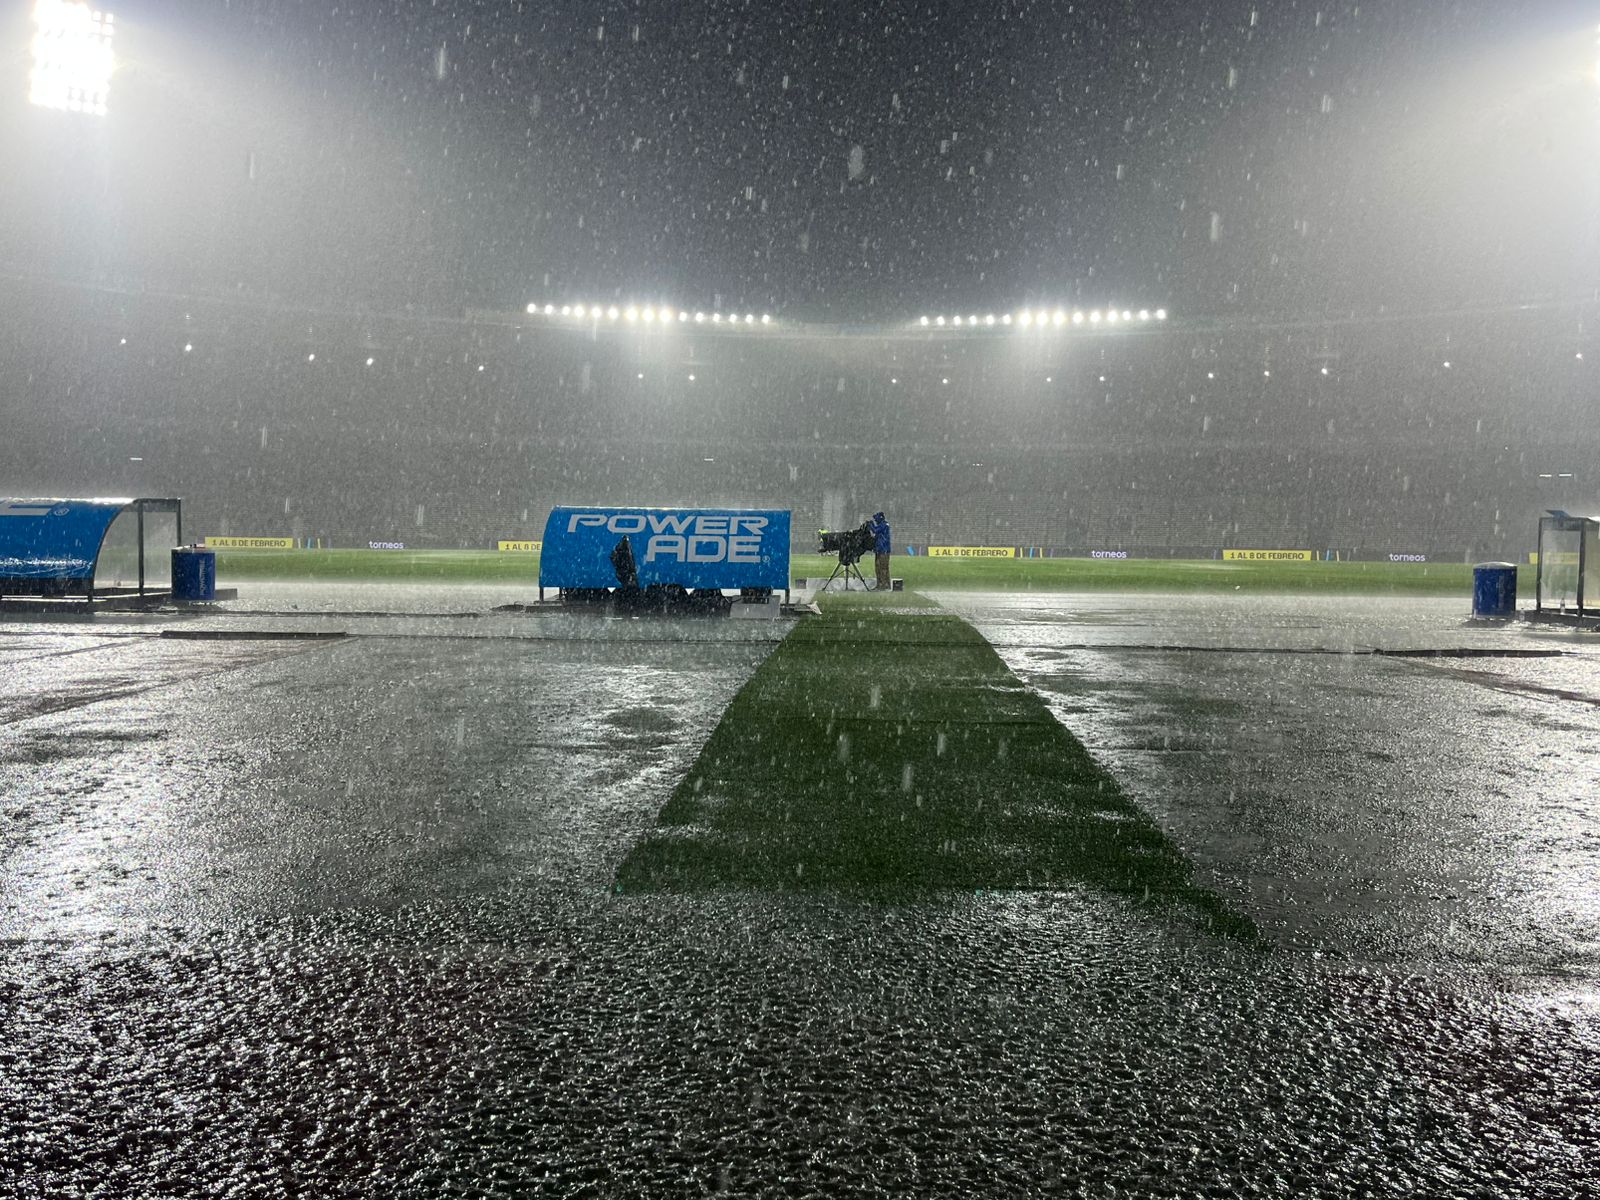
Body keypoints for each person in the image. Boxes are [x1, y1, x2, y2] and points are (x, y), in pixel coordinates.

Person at [869, 511, 892, 590]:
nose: (875, 521)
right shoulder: (882, 525)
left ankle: (884, 585)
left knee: (883, 568)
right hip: (879, 550)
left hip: (884, 551)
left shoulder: (884, 525)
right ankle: (881, 584)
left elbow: (875, 530)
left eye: (876, 519)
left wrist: (870, 524)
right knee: (878, 568)